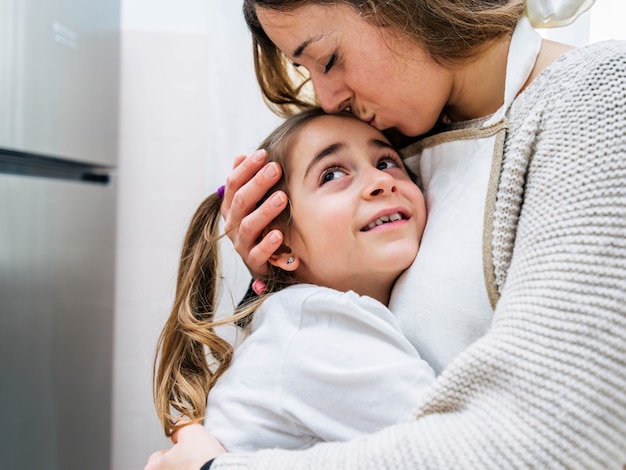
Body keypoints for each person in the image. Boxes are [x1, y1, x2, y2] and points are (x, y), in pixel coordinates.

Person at [146, 0, 626, 468]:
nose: (329, 98)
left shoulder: (596, 96)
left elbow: (566, 439)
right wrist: (290, 280)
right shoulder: (407, 132)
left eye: (329, 59)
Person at [152, 108, 434, 453]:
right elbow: (456, 447)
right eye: (331, 175)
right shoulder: (322, 330)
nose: (381, 181)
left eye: (387, 162)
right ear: (281, 244)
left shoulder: (300, 321)